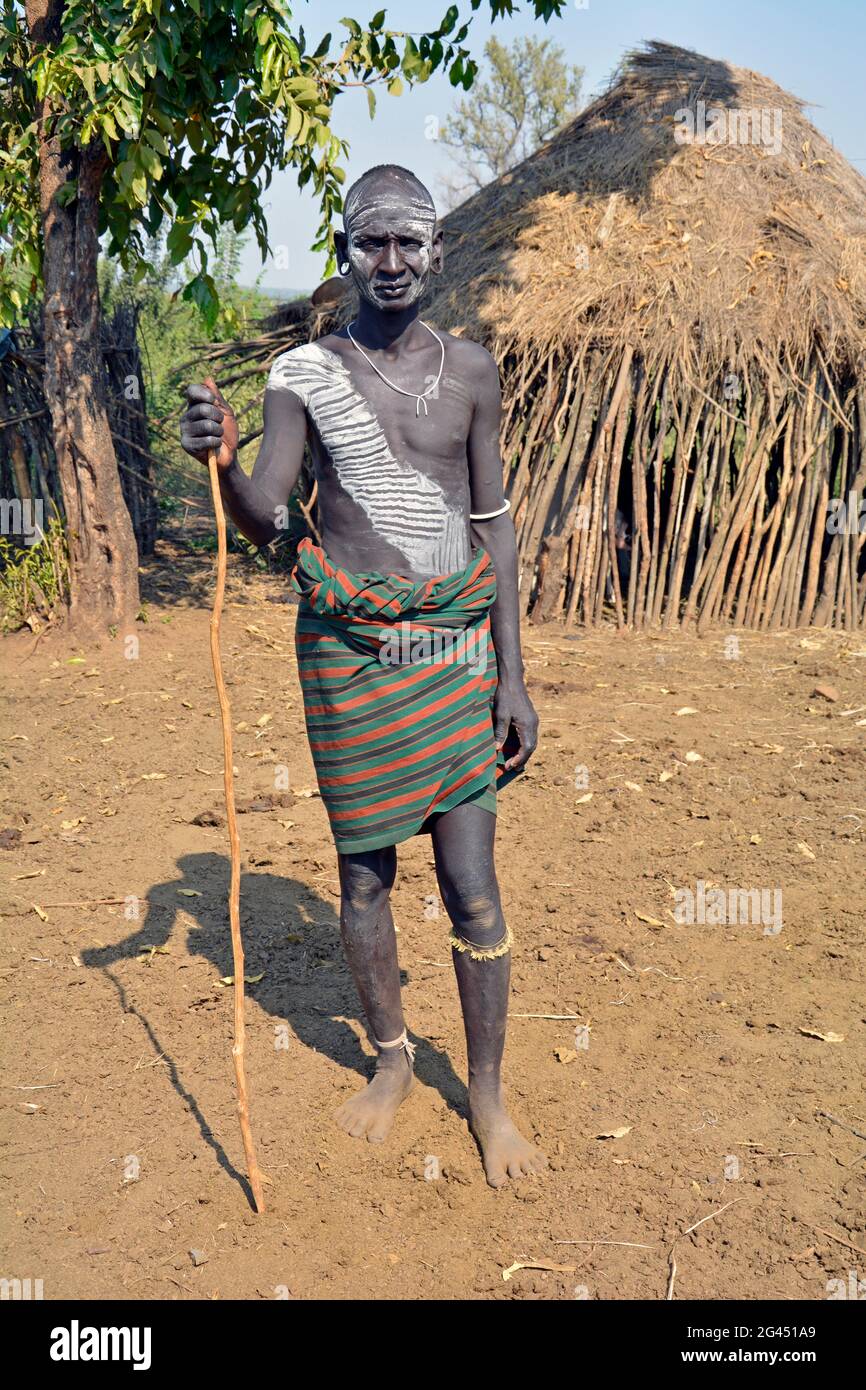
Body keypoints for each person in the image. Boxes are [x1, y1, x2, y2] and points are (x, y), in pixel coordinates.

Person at [180, 164, 545, 1187]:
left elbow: (495, 529)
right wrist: (218, 464)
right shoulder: (305, 373)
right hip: (346, 656)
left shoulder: (471, 370)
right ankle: (390, 1060)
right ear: (345, 250)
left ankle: (482, 1090)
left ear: (435, 251)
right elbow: (263, 519)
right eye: (369, 242)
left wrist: (512, 676)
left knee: (471, 884)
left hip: (451, 653)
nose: (389, 261)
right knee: (362, 875)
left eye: (407, 242)